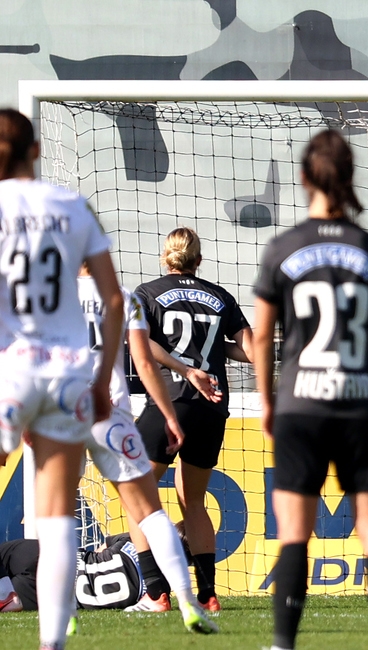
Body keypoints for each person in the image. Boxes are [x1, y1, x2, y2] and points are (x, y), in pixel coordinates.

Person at [253, 130, 368, 650]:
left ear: (303, 178)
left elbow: (262, 337)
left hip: (301, 404)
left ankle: (283, 645)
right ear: (350, 177)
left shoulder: (283, 248)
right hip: (362, 405)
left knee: (295, 533)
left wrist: (267, 401)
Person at [0, 108, 123, 650]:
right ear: (37, 149)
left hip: (12, 369)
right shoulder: (73, 206)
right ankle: (52, 643)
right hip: (69, 373)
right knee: (56, 517)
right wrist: (102, 380)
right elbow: (113, 300)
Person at [75, 265, 217, 633]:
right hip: (111, 412)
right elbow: (143, 363)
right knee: (150, 512)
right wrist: (169, 415)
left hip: (63, 412)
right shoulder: (124, 297)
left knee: (55, 515)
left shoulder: (50, 296)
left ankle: (62, 617)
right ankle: (187, 601)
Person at [127, 226, 252, 613]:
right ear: (199, 260)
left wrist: (183, 367)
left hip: (172, 401)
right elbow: (251, 350)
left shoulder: (146, 293)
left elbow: (141, 343)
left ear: (165, 256)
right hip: (212, 405)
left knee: (137, 494)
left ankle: (155, 592)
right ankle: (208, 594)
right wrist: (212, 349)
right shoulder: (221, 296)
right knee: (193, 502)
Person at [0, 525, 194, 614]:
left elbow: (101, 549)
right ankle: (10, 598)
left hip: (59, 557)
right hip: (60, 595)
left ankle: (4, 590)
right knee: (11, 601)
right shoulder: (159, 590)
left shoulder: (138, 539)